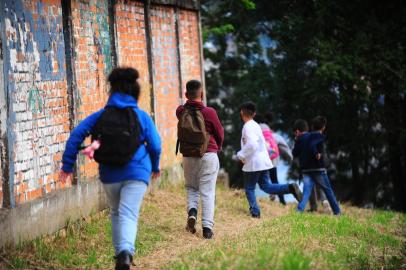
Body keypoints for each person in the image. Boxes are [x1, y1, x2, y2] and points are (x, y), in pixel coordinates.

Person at [59, 67, 162, 270]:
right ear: (135, 93)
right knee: (128, 213)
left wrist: (67, 165)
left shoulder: (99, 116)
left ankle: (119, 255)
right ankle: (125, 253)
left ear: (112, 91)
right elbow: (156, 145)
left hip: (110, 174)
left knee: (116, 212)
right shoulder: (141, 117)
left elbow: (76, 137)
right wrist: (155, 166)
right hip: (137, 172)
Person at [236, 102, 302, 218]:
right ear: (254, 114)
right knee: (267, 186)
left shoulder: (247, 127)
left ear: (241, 112)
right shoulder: (256, 125)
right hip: (264, 161)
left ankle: (255, 212)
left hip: (254, 163)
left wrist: (241, 154)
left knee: (249, 188)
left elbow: (252, 144)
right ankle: (290, 187)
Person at [176, 80, 224, 239]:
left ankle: (192, 212)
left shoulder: (180, 111)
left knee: (191, 187)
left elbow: (183, 110)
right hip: (208, 155)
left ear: (185, 95)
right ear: (202, 94)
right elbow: (219, 132)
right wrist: (219, 146)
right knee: (208, 192)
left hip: (188, 156)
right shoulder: (210, 112)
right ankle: (207, 229)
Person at [292, 117, 341, 215]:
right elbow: (312, 145)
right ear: (323, 127)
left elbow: (295, 153)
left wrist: (297, 140)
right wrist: (316, 153)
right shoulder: (319, 136)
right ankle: (337, 211)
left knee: (306, 192)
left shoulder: (302, 138)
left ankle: (299, 211)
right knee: (328, 190)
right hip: (318, 168)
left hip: (306, 169)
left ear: (311, 126)